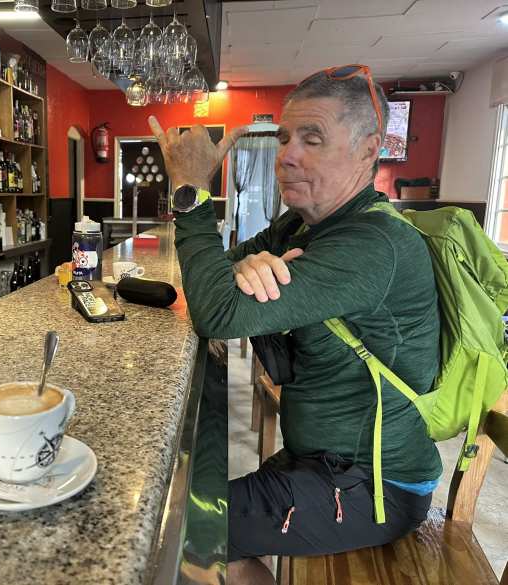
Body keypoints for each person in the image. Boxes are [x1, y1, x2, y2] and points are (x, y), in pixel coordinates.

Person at [148, 65, 442, 585]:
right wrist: (235, 271)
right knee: (189, 504)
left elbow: (218, 310)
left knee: (181, 527)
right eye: (285, 138)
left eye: (313, 139)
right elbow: (212, 286)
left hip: (374, 485)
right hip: (323, 462)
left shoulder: (373, 245)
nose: (287, 155)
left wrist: (192, 190)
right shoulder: (302, 224)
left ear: (369, 150)